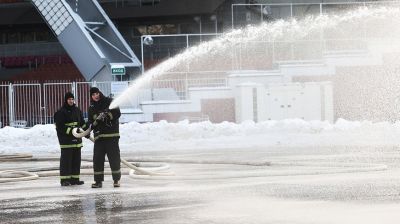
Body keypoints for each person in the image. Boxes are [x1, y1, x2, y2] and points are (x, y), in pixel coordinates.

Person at [88, 87, 121, 188]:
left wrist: (107, 115)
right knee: (97, 160)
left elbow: (117, 113)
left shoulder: (109, 101)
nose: (95, 96)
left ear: (100, 93)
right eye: (93, 95)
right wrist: (87, 129)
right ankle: (98, 181)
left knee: (114, 159)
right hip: (99, 138)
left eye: (96, 93)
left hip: (111, 136)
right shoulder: (92, 107)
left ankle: (116, 180)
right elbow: (90, 121)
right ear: (91, 97)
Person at [54, 92, 86, 186]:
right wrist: (71, 131)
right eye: (69, 99)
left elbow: (82, 123)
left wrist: (86, 131)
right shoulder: (61, 112)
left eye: (72, 99)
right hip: (66, 142)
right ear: (66, 100)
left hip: (77, 142)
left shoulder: (77, 110)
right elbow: (60, 127)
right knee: (66, 162)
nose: (71, 101)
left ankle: (75, 179)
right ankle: (64, 180)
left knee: (76, 161)